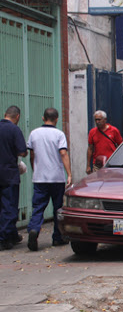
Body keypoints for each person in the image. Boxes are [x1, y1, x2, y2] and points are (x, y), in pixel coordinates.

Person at [26, 108, 72, 251]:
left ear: (43, 118)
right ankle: (57, 237)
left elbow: (32, 155)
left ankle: (34, 229)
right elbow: (63, 153)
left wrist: (35, 169)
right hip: (56, 178)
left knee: (38, 207)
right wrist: (69, 173)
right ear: (57, 119)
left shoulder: (34, 133)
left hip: (40, 178)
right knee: (58, 208)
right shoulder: (59, 134)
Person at [0, 106, 28, 250]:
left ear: (5, 114)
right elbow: (22, 151)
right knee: (9, 207)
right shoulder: (14, 130)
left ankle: (11, 234)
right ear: (17, 117)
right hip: (9, 174)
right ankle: (3, 238)